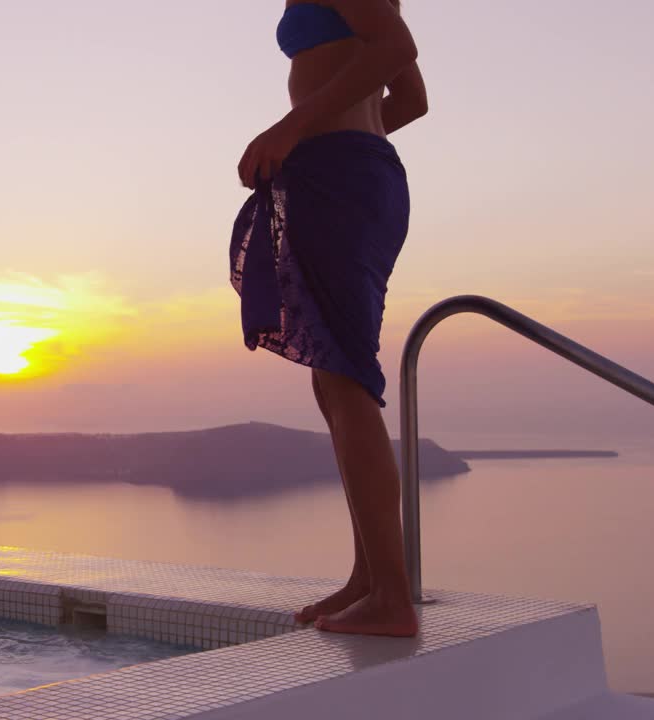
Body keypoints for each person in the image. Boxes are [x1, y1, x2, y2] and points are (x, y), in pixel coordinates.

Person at [231, 0, 428, 637]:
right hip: (340, 169)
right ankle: (369, 578)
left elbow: (398, 51)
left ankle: (391, 599)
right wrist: (320, 141)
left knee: (345, 378)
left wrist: (296, 129)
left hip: (344, 177)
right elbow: (411, 101)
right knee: (332, 374)